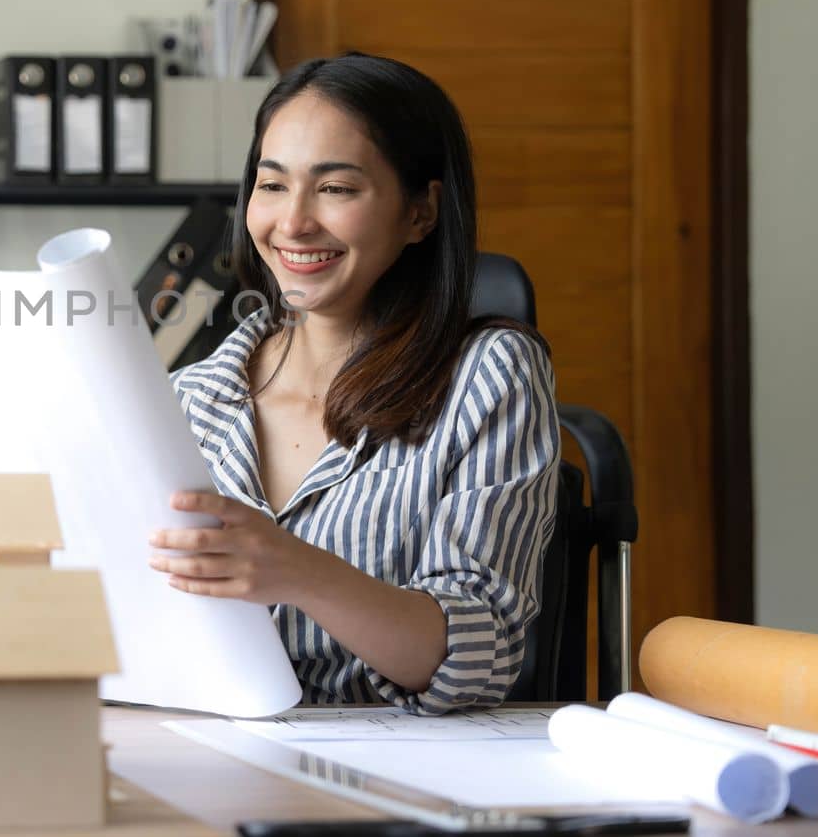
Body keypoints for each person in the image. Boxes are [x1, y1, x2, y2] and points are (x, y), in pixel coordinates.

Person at [146, 53, 559, 715]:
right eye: (272, 184)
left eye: (335, 188)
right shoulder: (186, 397)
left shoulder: (487, 374)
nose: (294, 221)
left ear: (421, 211)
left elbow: (479, 658)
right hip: (201, 744)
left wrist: (297, 569)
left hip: (397, 771)